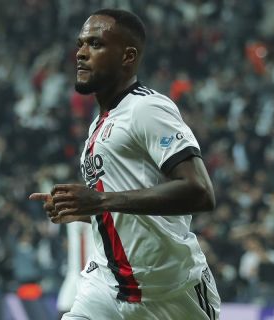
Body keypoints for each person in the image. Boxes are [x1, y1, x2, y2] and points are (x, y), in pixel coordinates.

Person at [30, 8, 220, 320]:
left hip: (171, 292)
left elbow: (200, 192)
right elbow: (122, 207)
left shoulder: (148, 108)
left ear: (127, 56)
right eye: (80, 44)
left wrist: (100, 200)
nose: (81, 53)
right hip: (107, 286)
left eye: (95, 44)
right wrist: (78, 208)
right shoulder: (98, 125)